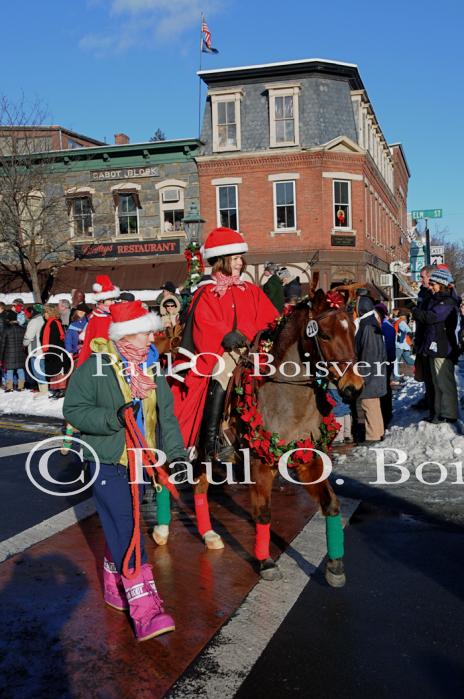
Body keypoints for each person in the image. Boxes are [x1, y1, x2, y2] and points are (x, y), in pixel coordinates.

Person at [63, 301, 187, 641]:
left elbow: (166, 416)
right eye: (146, 331)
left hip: (141, 462)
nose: (152, 336)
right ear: (125, 335)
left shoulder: (152, 367)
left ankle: (113, 582)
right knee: (129, 529)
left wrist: (175, 455)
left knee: (122, 525)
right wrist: (112, 418)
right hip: (105, 461)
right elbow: (73, 409)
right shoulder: (95, 366)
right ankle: (146, 610)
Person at [171, 226, 279, 460]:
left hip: (252, 348)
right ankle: (211, 439)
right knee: (223, 371)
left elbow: (270, 318)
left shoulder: (250, 289)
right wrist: (225, 334)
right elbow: (203, 321)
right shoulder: (207, 291)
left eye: (241, 258)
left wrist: (263, 331)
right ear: (221, 260)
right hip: (222, 349)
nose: (240, 263)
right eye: (235, 258)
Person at [412, 268, 460, 423]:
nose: (431, 286)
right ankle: (439, 413)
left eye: (433, 284)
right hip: (433, 347)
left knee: (445, 383)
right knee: (436, 384)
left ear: (442, 284)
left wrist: (415, 311)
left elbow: (432, 317)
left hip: (444, 348)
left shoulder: (447, 301)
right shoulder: (436, 298)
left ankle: (450, 414)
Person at [353, 293, 387, 443]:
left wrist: (363, 374)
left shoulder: (367, 326)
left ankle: (373, 436)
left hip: (371, 373)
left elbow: (369, 353)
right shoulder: (370, 322)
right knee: (373, 405)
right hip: (375, 372)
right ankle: (377, 433)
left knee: (369, 405)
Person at [77, 276, 120, 366]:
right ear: (101, 301)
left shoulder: (115, 315)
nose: (112, 303)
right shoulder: (96, 318)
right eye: (110, 300)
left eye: (113, 300)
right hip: (103, 360)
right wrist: (82, 363)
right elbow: (88, 342)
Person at [411, 265, 435, 413]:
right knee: (425, 374)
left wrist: (416, 312)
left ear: (430, 277)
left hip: (429, 339)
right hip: (421, 337)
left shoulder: (432, 294)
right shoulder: (422, 292)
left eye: (422, 276)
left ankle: (432, 402)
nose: (420, 279)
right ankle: (428, 398)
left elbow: (428, 316)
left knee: (430, 375)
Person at [40, 305, 70, 399]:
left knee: (59, 370)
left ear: (49, 313)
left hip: (56, 350)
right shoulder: (49, 323)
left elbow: (56, 338)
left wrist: (51, 350)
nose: (44, 315)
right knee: (53, 371)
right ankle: (56, 389)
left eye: (45, 313)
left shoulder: (54, 323)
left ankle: (61, 389)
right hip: (51, 350)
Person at [375, 303, 395, 428]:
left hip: (384, 362)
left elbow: (386, 347)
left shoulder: (385, 327)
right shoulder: (387, 326)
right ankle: (386, 414)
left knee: (384, 390)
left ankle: (385, 416)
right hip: (387, 361)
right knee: (385, 388)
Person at [23, 303, 47, 394]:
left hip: (35, 349)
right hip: (43, 348)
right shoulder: (43, 319)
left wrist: (24, 344)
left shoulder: (34, 321)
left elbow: (28, 336)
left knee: (37, 370)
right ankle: (43, 389)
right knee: (42, 369)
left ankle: (43, 391)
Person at [0, 310, 26, 391]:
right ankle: (21, 386)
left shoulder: (6, 330)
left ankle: (9, 387)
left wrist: (1, 357)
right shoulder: (22, 329)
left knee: (9, 371)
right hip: (21, 353)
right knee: (20, 370)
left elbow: (3, 345)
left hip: (9, 354)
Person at [392, 310, 414, 384]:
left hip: (398, 345)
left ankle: (396, 379)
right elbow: (407, 330)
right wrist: (409, 332)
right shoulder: (401, 321)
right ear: (403, 316)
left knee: (395, 362)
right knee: (408, 360)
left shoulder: (394, 321)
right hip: (405, 345)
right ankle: (420, 367)